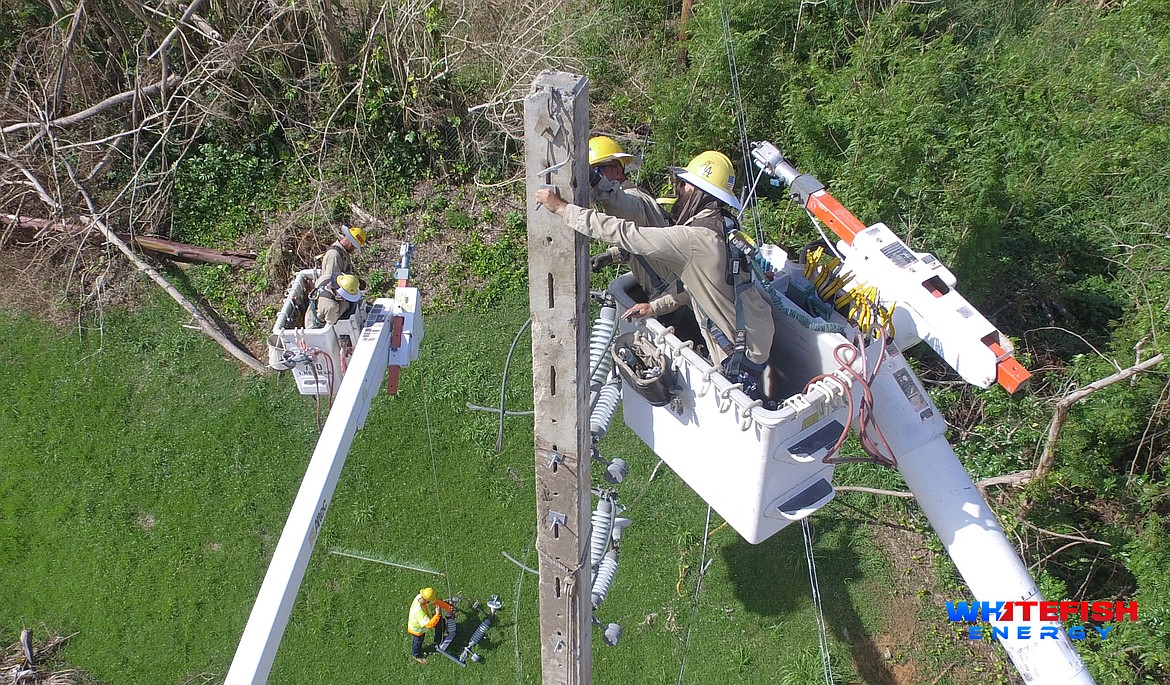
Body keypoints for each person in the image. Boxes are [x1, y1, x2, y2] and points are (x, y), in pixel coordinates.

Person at [536, 150, 775, 401]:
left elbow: (627, 234)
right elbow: (697, 288)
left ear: (697, 191)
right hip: (756, 333)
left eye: (683, 184)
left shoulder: (692, 239)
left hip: (740, 350)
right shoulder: (723, 225)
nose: (678, 190)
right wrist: (655, 307)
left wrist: (564, 209)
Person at [586, 136, 701, 346]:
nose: (596, 179)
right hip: (668, 296)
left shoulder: (633, 198)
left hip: (675, 301)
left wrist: (597, 184)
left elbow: (624, 209)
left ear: (618, 171)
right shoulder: (632, 199)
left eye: (599, 171)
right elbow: (637, 241)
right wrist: (611, 255)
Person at [407, 587, 452, 664]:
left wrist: (448, 608)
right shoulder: (418, 611)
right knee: (418, 641)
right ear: (427, 600)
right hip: (417, 629)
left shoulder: (421, 597)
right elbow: (429, 625)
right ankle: (416, 655)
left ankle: (438, 640)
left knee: (441, 622)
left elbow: (436, 602)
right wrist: (437, 614)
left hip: (426, 619)